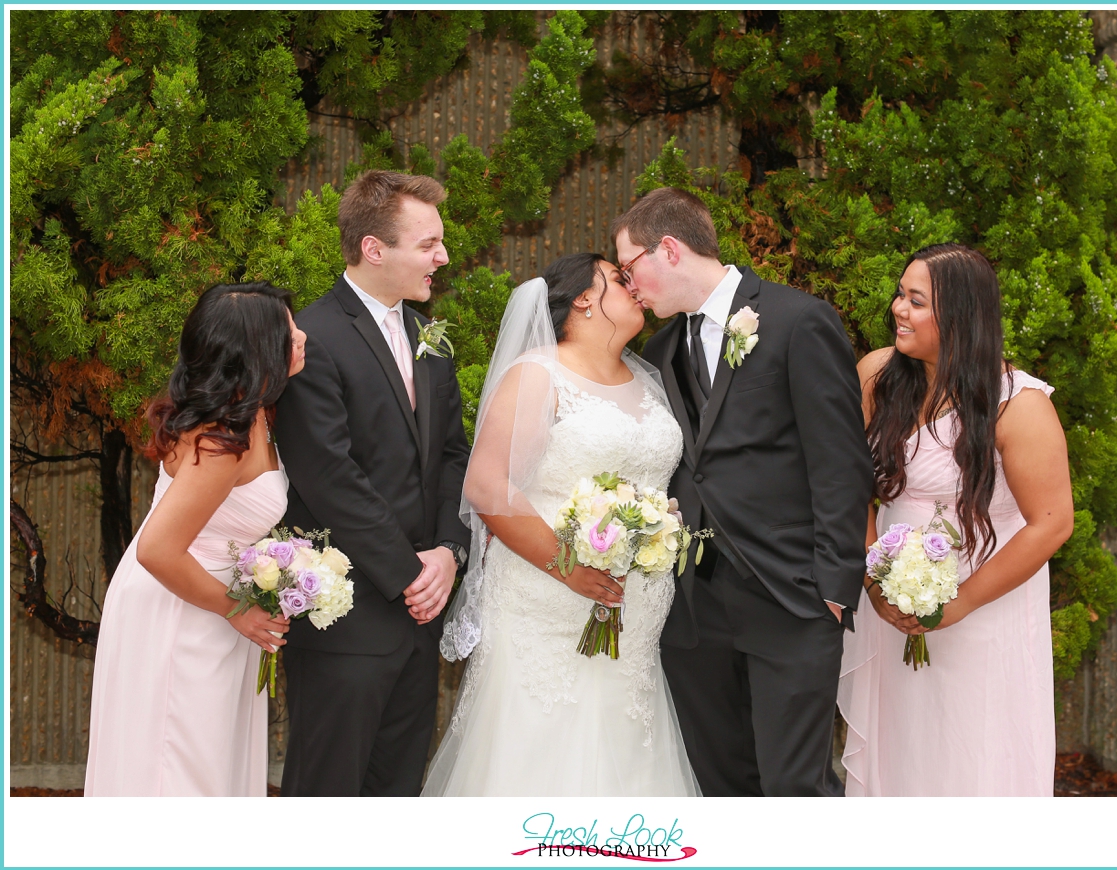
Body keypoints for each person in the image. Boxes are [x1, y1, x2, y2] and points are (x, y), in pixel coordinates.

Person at [616, 188, 875, 797]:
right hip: (692, 608)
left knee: (794, 786)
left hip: (791, 596)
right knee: (720, 783)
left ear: (670, 250)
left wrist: (834, 587)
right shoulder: (659, 350)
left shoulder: (798, 320)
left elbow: (840, 459)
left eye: (631, 269)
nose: (630, 287)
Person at [424, 253, 700, 796]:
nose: (636, 288)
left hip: (637, 609)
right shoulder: (538, 374)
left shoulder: (647, 380)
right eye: (619, 280)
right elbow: (488, 487)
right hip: (546, 600)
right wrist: (569, 567)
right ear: (582, 298)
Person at [837, 243, 1074, 796]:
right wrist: (875, 582)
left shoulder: (1020, 404)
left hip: (985, 608)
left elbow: (1052, 522)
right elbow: (849, 487)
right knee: (904, 747)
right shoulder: (876, 375)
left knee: (972, 748)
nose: (899, 308)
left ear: (961, 315)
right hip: (891, 600)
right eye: (900, 293)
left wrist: (959, 602)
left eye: (916, 301)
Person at [272, 170, 472, 796]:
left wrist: (447, 552)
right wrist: (408, 572)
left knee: (398, 795)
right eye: (428, 244)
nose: (442, 257)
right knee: (329, 796)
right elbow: (329, 474)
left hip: (420, 617)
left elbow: (451, 455)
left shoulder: (428, 340)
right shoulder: (312, 338)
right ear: (374, 248)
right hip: (348, 621)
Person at [85, 282, 305, 796]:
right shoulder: (223, 434)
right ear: (255, 348)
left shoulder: (253, 413)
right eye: (287, 330)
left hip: (209, 606)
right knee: (178, 772)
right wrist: (239, 610)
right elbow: (157, 549)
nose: (301, 336)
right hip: (181, 612)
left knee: (210, 768)